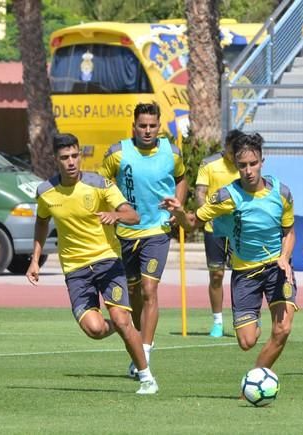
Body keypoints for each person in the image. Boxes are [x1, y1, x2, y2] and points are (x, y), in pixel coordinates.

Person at [26, 132, 158, 395]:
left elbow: (133, 215)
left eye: (75, 155)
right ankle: (127, 326)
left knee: (120, 319)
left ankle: (146, 377)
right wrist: (35, 259)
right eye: (65, 157)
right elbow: (42, 221)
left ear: (80, 155)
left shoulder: (100, 184)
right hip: (75, 271)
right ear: (56, 159)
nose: (71, 162)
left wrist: (114, 215)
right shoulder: (46, 192)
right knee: (95, 329)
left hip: (107, 262)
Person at [162, 132, 298, 371]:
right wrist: (180, 212)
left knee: (283, 329)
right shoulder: (227, 196)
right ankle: (254, 324)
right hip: (245, 272)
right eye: (243, 165)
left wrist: (285, 257)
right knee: (247, 341)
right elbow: (192, 223)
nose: (248, 170)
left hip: (277, 268)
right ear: (236, 165)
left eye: (253, 164)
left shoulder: (282, 193)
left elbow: (289, 231)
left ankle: (256, 378)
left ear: (262, 162)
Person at [99, 102, 187, 378]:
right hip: (125, 234)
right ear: (133, 126)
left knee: (150, 290)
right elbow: (101, 183)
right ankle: (140, 342)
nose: (147, 131)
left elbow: (182, 178)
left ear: (159, 126)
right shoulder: (117, 153)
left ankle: (145, 354)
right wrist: (115, 211)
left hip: (157, 231)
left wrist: (178, 205)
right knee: (134, 294)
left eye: (152, 126)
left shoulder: (171, 153)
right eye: (142, 126)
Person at [195, 129, 244, 337]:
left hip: (239, 229)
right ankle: (217, 322)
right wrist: (206, 214)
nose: (237, 156)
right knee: (216, 275)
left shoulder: (244, 165)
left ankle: (243, 318)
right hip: (214, 229)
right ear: (226, 148)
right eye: (234, 151)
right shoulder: (209, 164)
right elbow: (200, 192)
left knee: (242, 275)